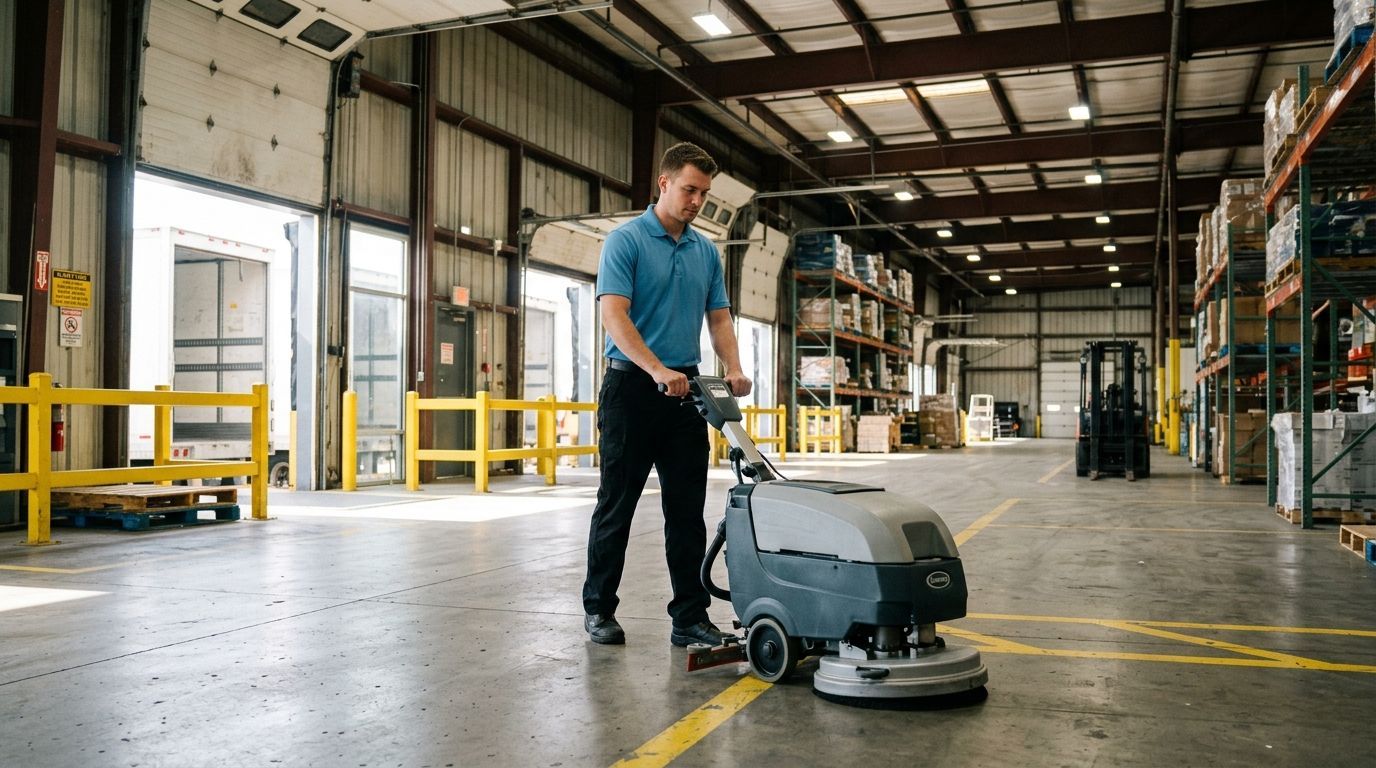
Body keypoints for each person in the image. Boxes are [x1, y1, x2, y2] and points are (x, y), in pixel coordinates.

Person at [582, 142, 752, 647]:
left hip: (686, 392)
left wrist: (736, 368)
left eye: (704, 193)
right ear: (664, 183)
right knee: (617, 504)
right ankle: (599, 611)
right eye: (689, 189)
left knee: (686, 510)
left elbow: (718, 318)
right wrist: (656, 368)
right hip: (632, 388)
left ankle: (689, 617)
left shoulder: (704, 252)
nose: (696, 201)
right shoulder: (626, 241)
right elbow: (615, 315)